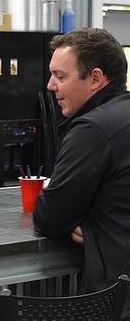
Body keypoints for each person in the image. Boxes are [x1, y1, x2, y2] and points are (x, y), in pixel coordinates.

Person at [33, 28, 130, 305]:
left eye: (61, 76)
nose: (51, 85)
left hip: (117, 297)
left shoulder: (93, 129)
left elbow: (50, 217)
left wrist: (90, 221)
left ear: (95, 79)